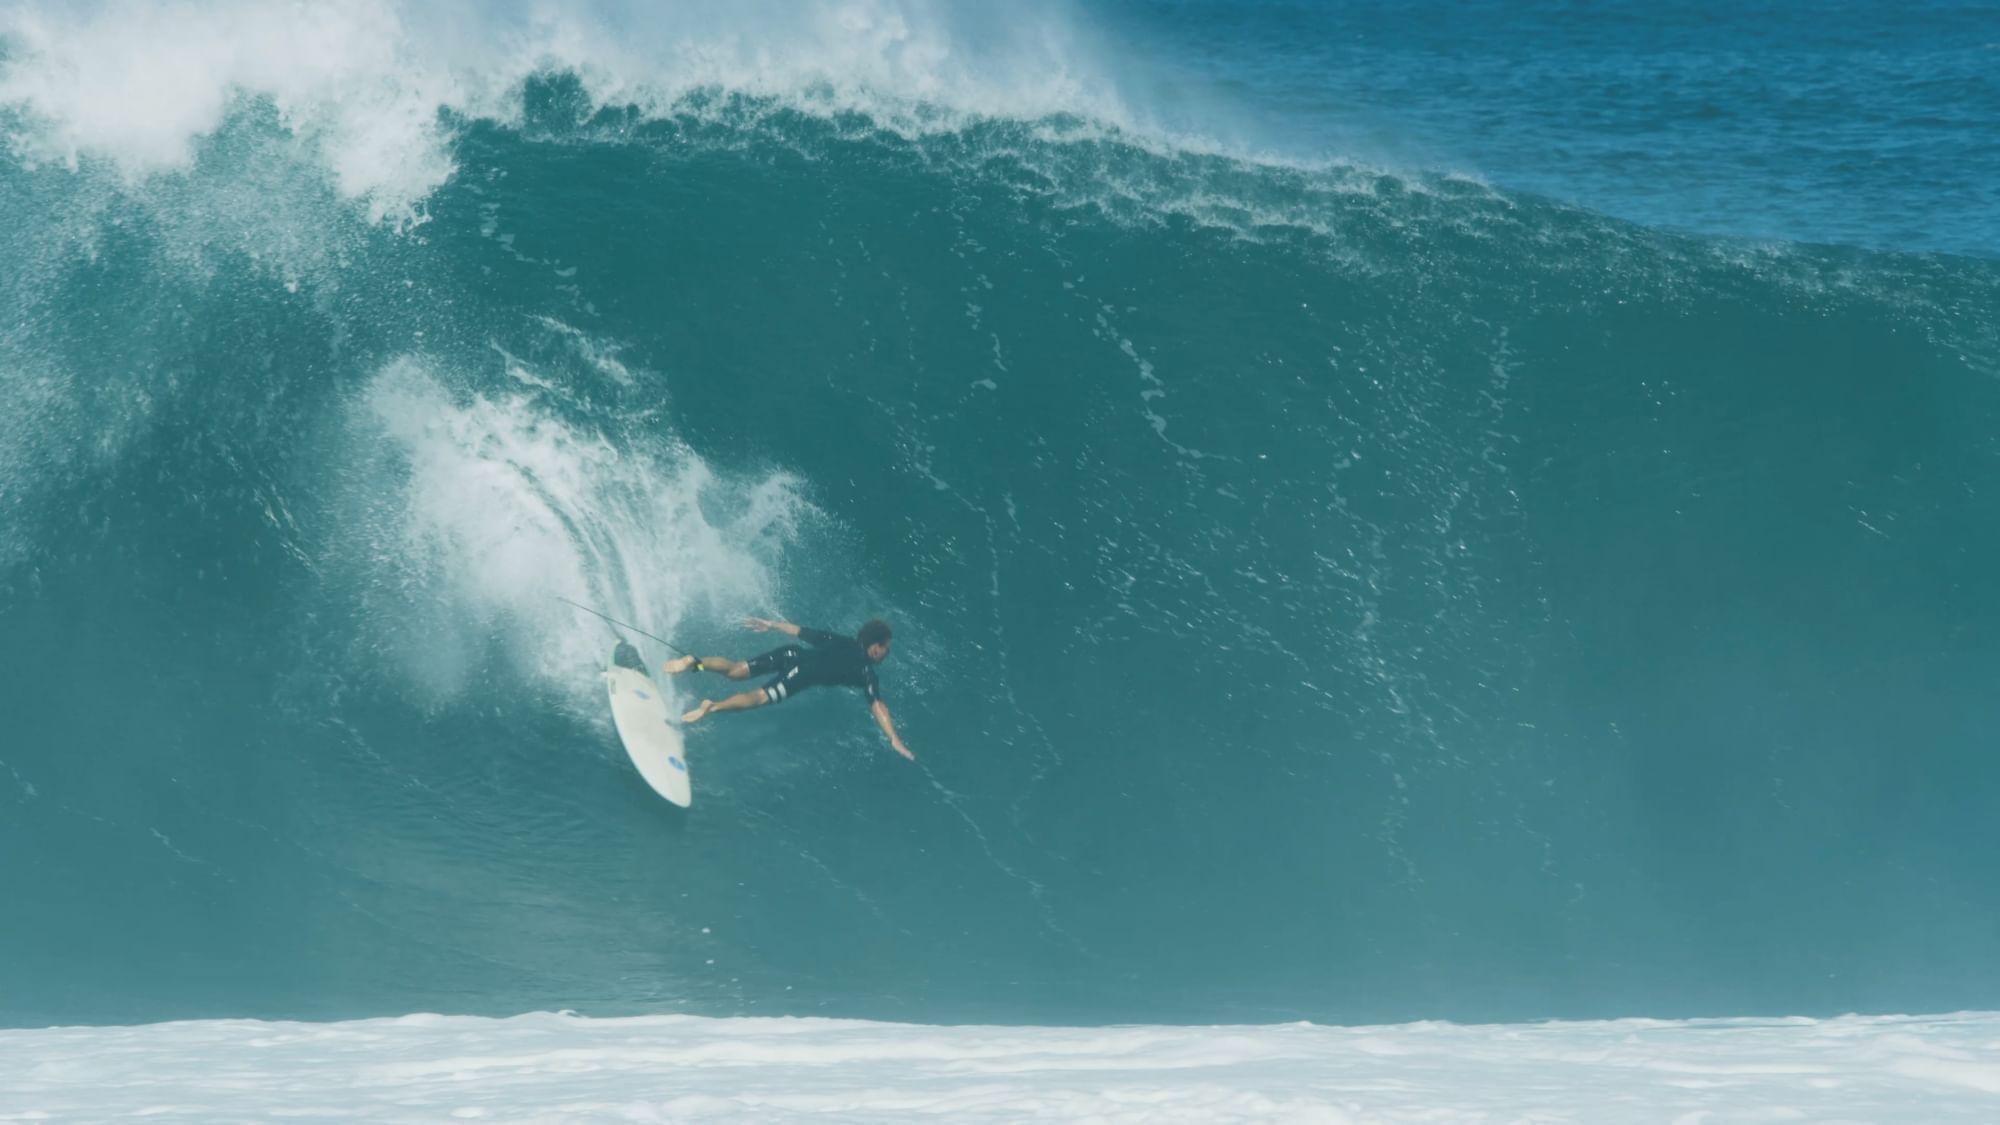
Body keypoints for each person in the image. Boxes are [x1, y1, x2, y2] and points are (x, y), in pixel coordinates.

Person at [665, 616, 913, 760]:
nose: (886, 655)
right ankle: (712, 707)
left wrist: (770, 624)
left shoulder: (841, 640)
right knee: (759, 697)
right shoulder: (866, 671)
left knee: (735, 670)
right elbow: (877, 705)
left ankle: (693, 664)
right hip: (800, 674)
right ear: (875, 647)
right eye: (886, 649)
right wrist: (893, 738)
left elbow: (801, 632)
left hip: (790, 654)